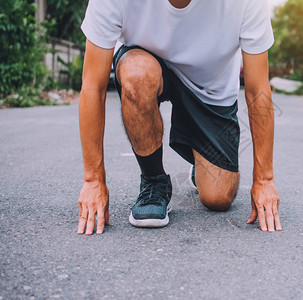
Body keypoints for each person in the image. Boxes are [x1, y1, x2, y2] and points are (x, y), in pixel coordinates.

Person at [76, 0, 282, 235]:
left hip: (210, 90)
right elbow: (93, 86)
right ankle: (154, 181)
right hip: (146, 65)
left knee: (218, 197)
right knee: (137, 75)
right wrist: (93, 181)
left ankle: (200, 159)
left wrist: (264, 179)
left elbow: (258, 91)